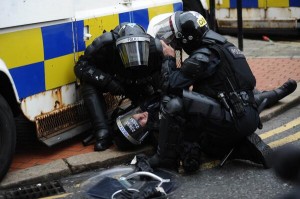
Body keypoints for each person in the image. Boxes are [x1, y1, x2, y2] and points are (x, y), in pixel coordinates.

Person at [147, 11, 297, 172]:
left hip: (232, 120)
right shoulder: (224, 45)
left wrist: (169, 57)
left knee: (173, 102)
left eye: (178, 39)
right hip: (248, 112)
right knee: (207, 141)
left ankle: (163, 159)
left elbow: (170, 85)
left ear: (187, 38)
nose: (176, 43)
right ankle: (242, 145)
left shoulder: (203, 56)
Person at [74, 22, 163, 151]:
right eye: (129, 49)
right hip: (115, 82)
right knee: (88, 85)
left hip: (140, 84)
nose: (134, 55)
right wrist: (107, 82)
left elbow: (166, 76)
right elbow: (81, 66)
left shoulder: (155, 48)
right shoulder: (105, 44)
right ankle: (102, 130)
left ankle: (151, 128)